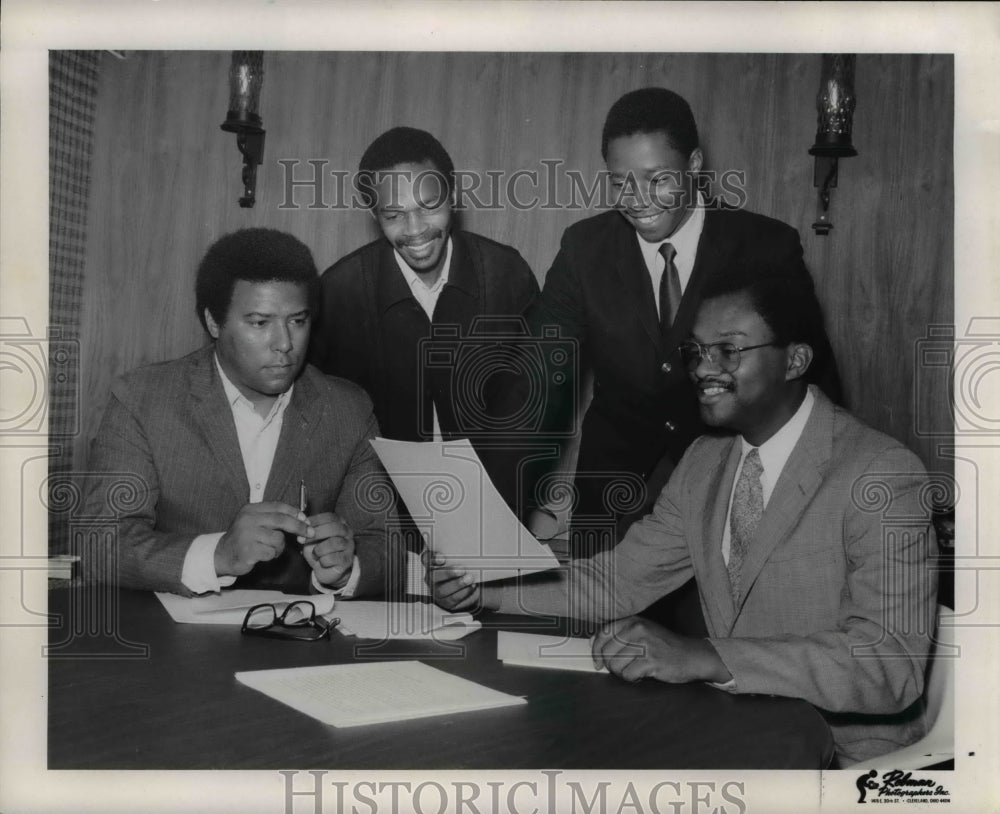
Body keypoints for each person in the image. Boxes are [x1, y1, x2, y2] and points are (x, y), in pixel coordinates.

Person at [427, 268, 936, 765]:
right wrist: (484, 587)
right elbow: (616, 583)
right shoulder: (703, 463)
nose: (702, 368)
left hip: (841, 761)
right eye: (696, 351)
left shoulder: (881, 474)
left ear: (795, 359)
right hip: (732, 730)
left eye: (729, 350)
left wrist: (704, 656)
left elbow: (889, 662)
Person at [529, 87, 840, 550]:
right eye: (619, 182)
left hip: (731, 495)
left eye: (657, 180)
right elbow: (532, 382)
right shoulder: (583, 248)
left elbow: (815, 386)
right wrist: (481, 512)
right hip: (609, 507)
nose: (636, 200)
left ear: (694, 165)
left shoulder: (767, 247)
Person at [83, 228, 404, 597]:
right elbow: (100, 545)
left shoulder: (349, 409)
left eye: (297, 321)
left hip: (303, 640)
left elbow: (388, 551)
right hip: (173, 643)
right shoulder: (142, 399)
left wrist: (345, 570)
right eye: (259, 323)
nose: (284, 344)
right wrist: (217, 555)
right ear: (214, 322)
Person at [310, 126, 540, 518]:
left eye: (429, 206)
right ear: (374, 214)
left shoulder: (507, 274)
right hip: (378, 515)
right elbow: (320, 422)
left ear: (453, 196)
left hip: (491, 503)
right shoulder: (338, 292)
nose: (415, 230)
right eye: (394, 214)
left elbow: (531, 405)